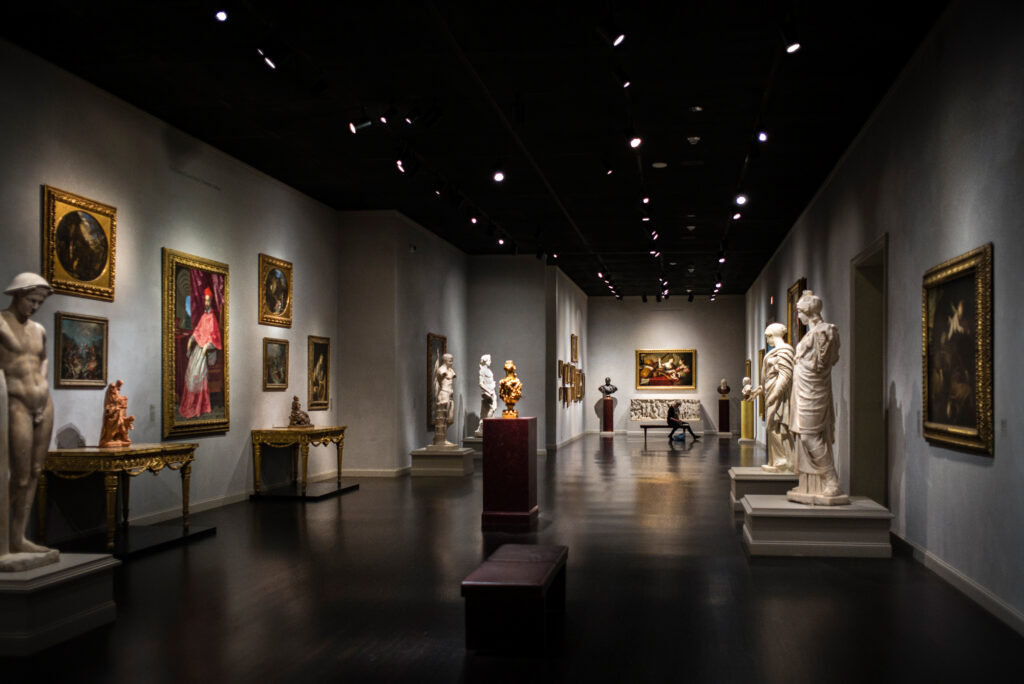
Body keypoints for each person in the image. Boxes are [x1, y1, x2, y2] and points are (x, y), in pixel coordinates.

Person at [0, 273, 58, 563]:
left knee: (35, 471)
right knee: (19, 476)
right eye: (32, 300)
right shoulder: (0, 323)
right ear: (18, 294)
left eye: (39, 303)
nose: (35, 307)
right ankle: (2, 538)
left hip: (43, 403)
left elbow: (43, 358)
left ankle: (18, 537)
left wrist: (44, 381)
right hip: (16, 403)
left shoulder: (39, 330)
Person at [787, 291, 847, 504]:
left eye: (800, 312)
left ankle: (831, 480)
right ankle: (810, 483)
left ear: (808, 312)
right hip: (804, 389)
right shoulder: (813, 333)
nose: (798, 317)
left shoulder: (824, 332)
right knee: (805, 437)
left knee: (809, 436)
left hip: (813, 390)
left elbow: (822, 364)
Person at [749, 323, 795, 472]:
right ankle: (780, 462)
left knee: (776, 425)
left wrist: (774, 395)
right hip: (772, 392)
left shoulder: (784, 351)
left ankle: (784, 462)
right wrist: (760, 390)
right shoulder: (777, 352)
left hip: (780, 396)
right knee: (774, 426)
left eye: (767, 337)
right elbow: (770, 377)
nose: (767, 340)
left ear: (772, 335)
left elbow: (786, 376)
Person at [179, 286, 222, 418]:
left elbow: (215, 338)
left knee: (198, 372)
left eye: (208, 301)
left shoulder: (212, 318)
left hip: (207, 351)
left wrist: (206, 346)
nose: (206, 303)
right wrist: (192, 339)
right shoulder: (204, 316)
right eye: (205, 300)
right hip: (198, 349)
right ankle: (191, 403)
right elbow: (198, 330)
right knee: (191, 373)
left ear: (211, 302)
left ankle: (200, 404)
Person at [433, 353, 456, 445]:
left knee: (450, 418)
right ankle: (440, 440)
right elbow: (440, 379)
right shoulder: (441, 370)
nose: (452, 362)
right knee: (442, 418)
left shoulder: (451, 370)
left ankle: (441, 438)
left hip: (450, 395)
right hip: (444, 394)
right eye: (450, 360)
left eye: (452, 360)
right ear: (445, 360)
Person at [475, 354, 495, 437]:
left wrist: (493, 387)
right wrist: (488, 391)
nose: (490, 362)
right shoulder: (482, 370)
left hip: (492, 391)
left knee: (491, 409)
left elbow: (491, 381)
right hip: (487, 393)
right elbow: (481, 383)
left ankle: (485, 427)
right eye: (489, 360)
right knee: (490, 409)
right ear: (485, 361)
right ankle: (483, 427)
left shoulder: (489, 370)